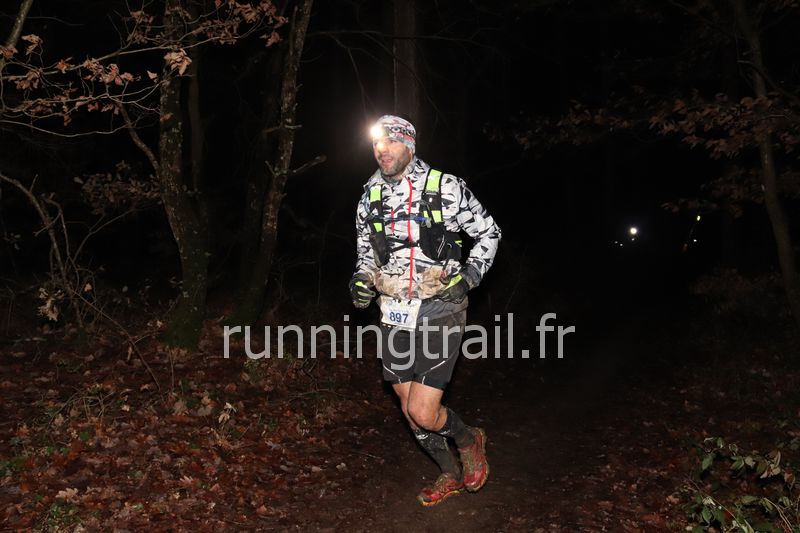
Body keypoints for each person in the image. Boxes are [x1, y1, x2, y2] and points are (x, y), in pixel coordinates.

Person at [349, 115, 501, 506]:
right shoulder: (369, 196)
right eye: (376, 143)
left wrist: (470, 275)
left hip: (440, 306)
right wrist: (361, 280)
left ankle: (468, 439)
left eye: (389, 142)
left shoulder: (444, 186)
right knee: (407, 408)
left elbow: (489, 232)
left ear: (409, 144)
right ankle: (448, 473)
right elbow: (366, 254)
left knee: (422, 409)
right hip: (393, 309)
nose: (381, 150)